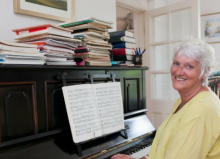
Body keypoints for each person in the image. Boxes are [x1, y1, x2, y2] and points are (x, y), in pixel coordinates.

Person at [111, 38, 220, 159]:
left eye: (189, 66)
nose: (179, 72)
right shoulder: (185, 99)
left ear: (205, 73)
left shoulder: (200, 110)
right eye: (176, 63)